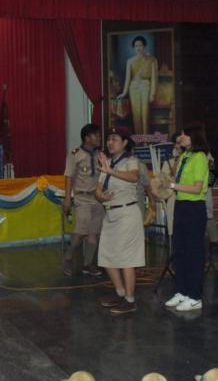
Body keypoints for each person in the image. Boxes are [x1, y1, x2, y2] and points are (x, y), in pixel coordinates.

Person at [95, 127, 145, 314]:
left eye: (115, 139)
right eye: (108, 139)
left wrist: (111, 170)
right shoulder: (106, 162)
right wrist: (101, 196)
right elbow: (98, 189)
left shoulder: (131, 161)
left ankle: (130, 300)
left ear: (124, 142)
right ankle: (120, 293)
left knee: (126, 259)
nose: (110, 142)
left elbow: (134, 177)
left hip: (127, 214)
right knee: (106, 256)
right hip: (110, 214)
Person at [163, 124, 209, 312]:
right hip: (181, 205)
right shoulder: (184, 156)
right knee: (180, 250)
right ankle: (182, 291)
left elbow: (197, 188)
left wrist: (172, 186)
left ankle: (195, 296)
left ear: (193, 137)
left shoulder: (200, 157)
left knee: (194, 253)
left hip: (194, 207)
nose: (180, 137)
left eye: (184, 135)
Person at [62, 124, 104, 277]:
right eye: (95, 135)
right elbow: (69, 176)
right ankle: (68, 257)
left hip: (97, 198)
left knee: (94, 233)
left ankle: (88, 264)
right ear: (87, 138)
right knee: (80, 232)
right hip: (82, 198)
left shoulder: (100, 155)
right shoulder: (75, 154)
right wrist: (68, 198)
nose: (99, 138)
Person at [117, 35, 158, 134]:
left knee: (145, 114)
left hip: (146, 87)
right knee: (136, 115)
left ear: (144, 46)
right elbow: (128, 79)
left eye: (140, 45)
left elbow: (154, 78)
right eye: (136, 46)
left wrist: (152, 94)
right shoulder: (130, 61)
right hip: (133, 88)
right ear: (134, 47)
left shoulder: (152, 60)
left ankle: (146, 139)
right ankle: (138, 139)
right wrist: (124, 92)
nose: (138, 48)